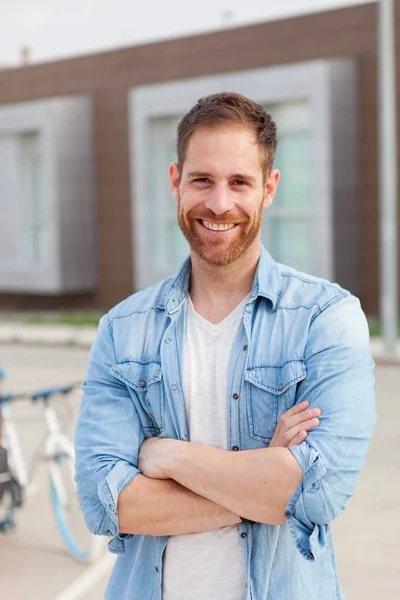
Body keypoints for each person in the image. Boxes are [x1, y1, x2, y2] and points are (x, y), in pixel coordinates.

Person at [74, 92, 376, 600]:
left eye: (240, 182)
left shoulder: (326, 319)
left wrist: (164, 455)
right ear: (175, 181)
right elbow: (105, 504)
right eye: (202, 180)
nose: (219, 203)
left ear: (269, 189)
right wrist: (263, 479)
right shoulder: (123, 329)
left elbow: (318, 494)